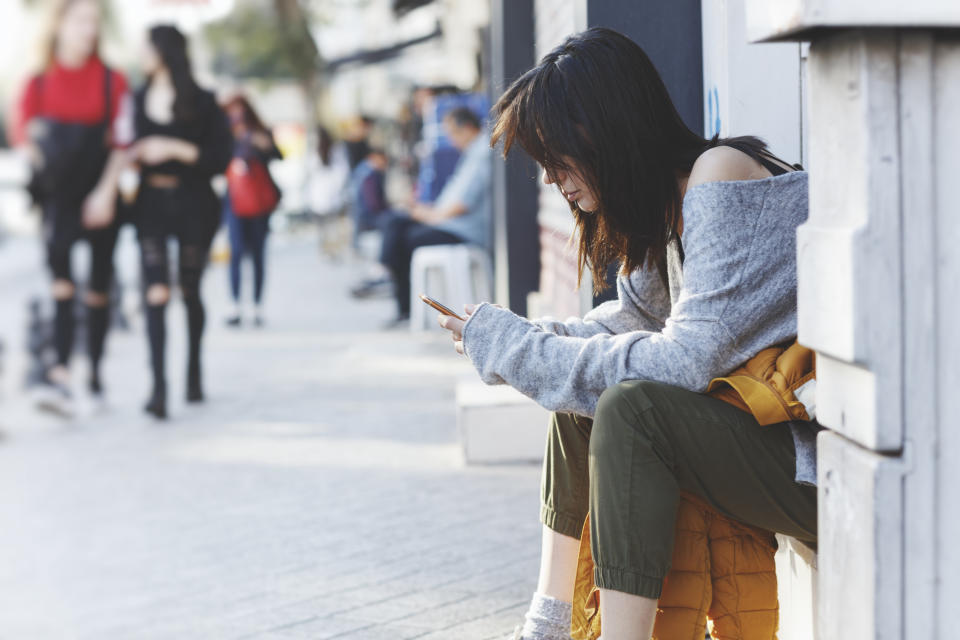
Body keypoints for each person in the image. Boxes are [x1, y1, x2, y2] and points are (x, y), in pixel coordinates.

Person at [438, 28, 817, 640]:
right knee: (581, 397)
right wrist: (517, 338)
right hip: (759, 442)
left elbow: (685, 361)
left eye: (557, 159)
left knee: (630, 409)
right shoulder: (663, 208)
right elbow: (624, 327)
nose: (552, 180)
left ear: (605, 131)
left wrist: (519, 347)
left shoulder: (718, 176)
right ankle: (549, 621)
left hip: (808, 461)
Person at [13, 0, 132, 415]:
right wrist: (43, 164)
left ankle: (95, 374)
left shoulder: (112, 81)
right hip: (58, 199)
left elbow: (123, 142)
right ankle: (61, 373)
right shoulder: (38, 82)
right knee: (61, 285)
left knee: (99, 289)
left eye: (94, 21)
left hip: (101, 192)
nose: (89, 29)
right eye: (81, 20)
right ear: (60, 24)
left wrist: (104, 192)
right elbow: (23, 136)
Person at [127, 25, 232, 419]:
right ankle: (158, 387)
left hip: (194, 202)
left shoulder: (203, 101)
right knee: (155, 291)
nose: (141, 53)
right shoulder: (136, 100)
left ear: (164, 51)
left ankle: (193, 372)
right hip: (150, 201)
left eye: (146, 46)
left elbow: (220, 158)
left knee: (189, 289)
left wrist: (173, 148)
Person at [361, 106, 491, 325]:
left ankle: (385, 275)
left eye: (452, 133)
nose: (451, 140)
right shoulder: (471, 154)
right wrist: (426, 211)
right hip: (448, 222)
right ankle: (388, 279)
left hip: (461, 229)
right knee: (396, 222)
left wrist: (430, 216)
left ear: (467, 128)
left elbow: (462, 204)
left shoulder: (482, 154)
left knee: (404, 235)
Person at [221, 94, 282, 327]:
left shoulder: (260, 132)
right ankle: (235, 305)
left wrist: (263, 145)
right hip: (235, 200)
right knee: (235, 252)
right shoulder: (226, 134)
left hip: (259, 201)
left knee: (258, 254)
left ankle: (257, 305)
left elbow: (278, 155)